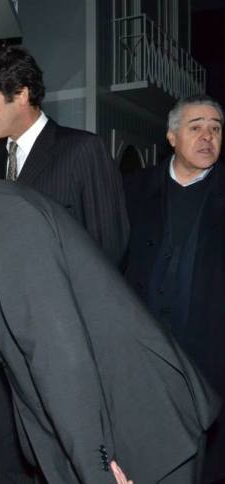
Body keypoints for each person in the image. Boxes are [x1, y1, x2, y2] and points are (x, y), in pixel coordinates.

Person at [0, 152, 220, 484]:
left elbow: (57, 356)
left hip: (139, 431)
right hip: (120, 418)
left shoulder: (2, 220)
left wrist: (97, 469)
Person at [0, 45, 130, 480]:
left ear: (20, 94)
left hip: (58, 347)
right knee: (6, 459)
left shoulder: (83, 151)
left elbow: (110, 247)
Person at [124, 95, 225, 483]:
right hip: (144, 350)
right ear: (171, 137)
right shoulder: (133, 189)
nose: (207, 137)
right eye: (196, 127)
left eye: (216, 129)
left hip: (209, 354)